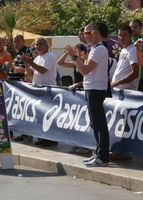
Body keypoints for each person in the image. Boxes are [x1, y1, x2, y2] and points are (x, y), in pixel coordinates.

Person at [65, 23, 110, 167]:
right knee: (94, 123)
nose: (87, 36)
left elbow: (84, 70)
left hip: (96, 89)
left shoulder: (99, 49)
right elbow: (84, 69)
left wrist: (74, 57)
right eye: (85, 33)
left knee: (99, 124)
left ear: (97, 33)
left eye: (90, 33)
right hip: (91, 88)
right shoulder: (94, 49)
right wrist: (76, 58)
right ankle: (98, 153)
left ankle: (102, 157)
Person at [21, 37, 58, 147]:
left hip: (48, 89)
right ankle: (44, 137)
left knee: (49, 115)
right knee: (40, 115)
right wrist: (27, 64)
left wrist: (30, 62)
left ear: (46, 46)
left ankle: (51, 139)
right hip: (38, 89)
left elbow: (42, 70)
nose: (38, 46)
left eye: (41, 44)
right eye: (37, 44)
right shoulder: (37, 58)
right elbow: (30, 75)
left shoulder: (50, 56)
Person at [60, 43, 92, 154]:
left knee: (86, 119)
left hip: (84, 92)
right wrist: (67, 54)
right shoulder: (75, 63)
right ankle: (77, 143)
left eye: (77, 51)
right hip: (77, 95)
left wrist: (75, 85)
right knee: (76, 119)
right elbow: (60, 63)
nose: (75, 53)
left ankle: (87, 145)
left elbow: (88, 78)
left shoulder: (85, 62)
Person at [111, 25, 139, 91]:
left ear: (130, 35)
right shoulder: (123, 50)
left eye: (124, 35)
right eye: (119, 35)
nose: (121, 37)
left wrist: (117, 83)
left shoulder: (133, 50)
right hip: (118, 90)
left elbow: (135, 73)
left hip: (127, 91)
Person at [129, 19, 143, 91]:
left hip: (141, 78)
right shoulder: (128, 41)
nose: (132, 29)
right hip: (131, 77)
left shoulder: (141, 41)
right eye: (131, 27)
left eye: (135, 27)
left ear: (140, 28)